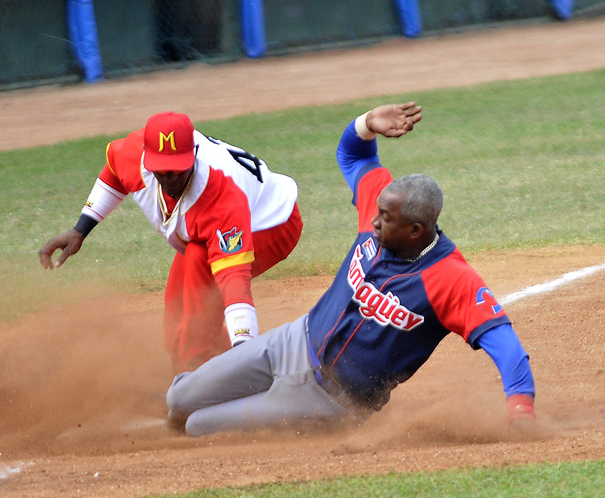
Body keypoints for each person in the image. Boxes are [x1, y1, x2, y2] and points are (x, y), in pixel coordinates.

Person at [166, 102, 536, 436]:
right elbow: (353, 155)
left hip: (329, 402)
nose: (373, 220)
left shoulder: (451, 279)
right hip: (291, 343)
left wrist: (521, 410)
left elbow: (507, 348)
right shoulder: (381, 208)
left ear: (415, 230)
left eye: (385, 218)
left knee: (200, 425)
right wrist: (366, 123)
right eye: (377, 211)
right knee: (180, 399)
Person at [39, 112, 303, 373]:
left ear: (194, 153)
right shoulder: (135, 155)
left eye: (178, 169)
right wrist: (80, 229)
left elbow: (234, 282)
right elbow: (115, 174)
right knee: (177, 319)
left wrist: (244, 347)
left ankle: (206, 372)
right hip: (212, 227)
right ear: (147, 156)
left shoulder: (221, 195)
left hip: (272, 223)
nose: (170, 178)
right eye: (161, 171)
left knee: (200, 277)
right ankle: (229, 369)